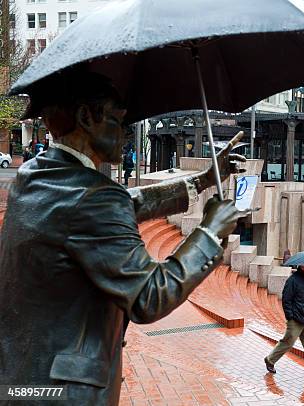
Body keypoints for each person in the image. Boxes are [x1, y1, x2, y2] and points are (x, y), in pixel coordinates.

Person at [0, 71, 248, 405]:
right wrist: (209, 233)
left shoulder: (35, 175)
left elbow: (123, 204)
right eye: (117, 121)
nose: (126, 133)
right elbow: (150, 296)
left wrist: (202, 180)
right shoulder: (92, 197)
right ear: (87, 118)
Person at [264, 265, 304, 379]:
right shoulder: (292, 280)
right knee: (287, 342)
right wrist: (290, 317)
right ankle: (270, 360)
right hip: (296, 319)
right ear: (303, 266)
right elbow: (286, 299)